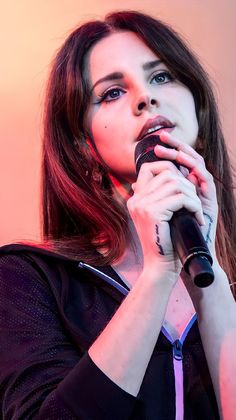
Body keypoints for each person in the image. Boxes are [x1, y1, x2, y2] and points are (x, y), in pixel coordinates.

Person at [0, 10, 235, 420]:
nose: (145, 98)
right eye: (112, 93)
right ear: (83, 146)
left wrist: (209, 273)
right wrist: (157, 275)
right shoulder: (28, 277)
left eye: (161, 76)